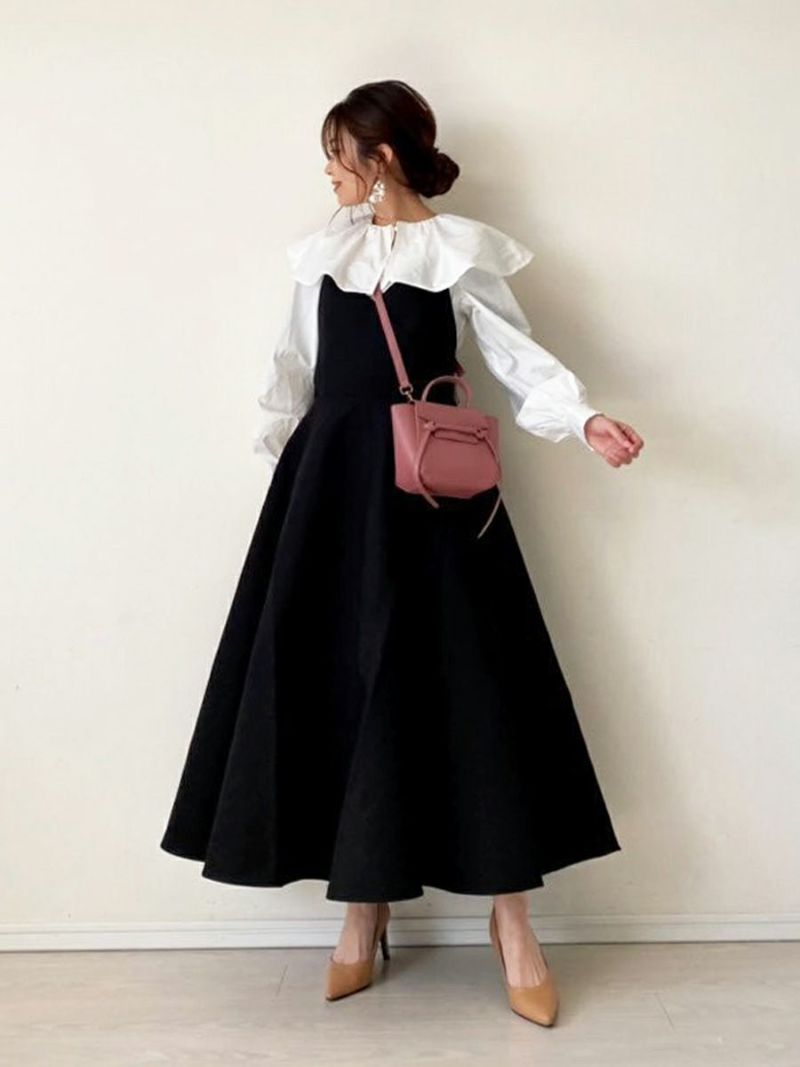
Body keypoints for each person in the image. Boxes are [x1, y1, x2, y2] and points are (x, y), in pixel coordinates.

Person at [160, 79, 643, 1026]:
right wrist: (291, 489)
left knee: (473, 687)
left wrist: (582, 419)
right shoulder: (322, 255)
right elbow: (290, 370)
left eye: (338, 154)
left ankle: (513, 922)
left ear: (380, 160)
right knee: (342, 683)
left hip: (431, 496)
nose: (328, 172)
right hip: (331, 497)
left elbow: (513, 355)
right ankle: (362, 910)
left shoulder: (458, 252)